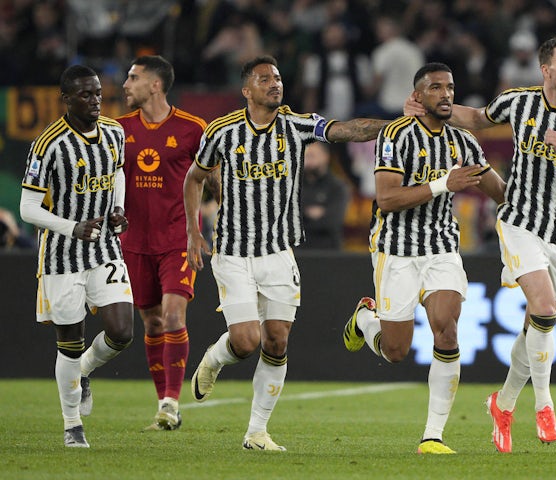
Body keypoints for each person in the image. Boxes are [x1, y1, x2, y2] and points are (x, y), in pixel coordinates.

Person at [407, 35, 556, 452]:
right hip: (520, 220)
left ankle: (502, 404)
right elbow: (476, 119)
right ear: (546, 69)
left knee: (537, 324)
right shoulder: (517, 101)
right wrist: (431, 109)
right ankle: (544, 406)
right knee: (541, 308)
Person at [184, 55, 394, 451]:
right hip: (233, 250)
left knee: (276, 341)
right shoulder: (222, 132)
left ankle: (256, 433)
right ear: (247, 90)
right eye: (265, 79)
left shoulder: (297, 125)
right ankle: (214, 358)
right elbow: (194, 178)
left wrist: (398, 126)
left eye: (278, 77)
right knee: (246, 342)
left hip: (279, 252)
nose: (275, 84)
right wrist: (194, 232)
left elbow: (348, 129)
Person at [344, 62, 505, 454]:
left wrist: (534, 201)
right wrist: (442, 184)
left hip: (441, 250)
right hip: (394, 250)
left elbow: (499, 192)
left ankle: (432, 436)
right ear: (417, 97)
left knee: (446, 328)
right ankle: (366, 320)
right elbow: (386, 198)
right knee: (396, 352)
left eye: (450, 87)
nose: (446, 94)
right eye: (436, 88)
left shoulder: (463, 141)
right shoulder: (394, 136)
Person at [19, 65, 133, 448]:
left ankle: (85, 370)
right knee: (70, 339)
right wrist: (73, 227)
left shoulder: (115, 132)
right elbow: (27, 208)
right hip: (61, 255)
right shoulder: (48, 144)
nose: (95, 100)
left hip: (104, 247)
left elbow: (117, 173)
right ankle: (72, 425)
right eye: (86, 95)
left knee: (122, 331)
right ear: (65, 99)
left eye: (98, 93)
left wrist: (117, 209)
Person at [117, 55, 208, 431]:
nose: (126, 84)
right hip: (134, 242)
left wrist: (200, 229)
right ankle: (163, 401)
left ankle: (171, 404)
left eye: (133, 78)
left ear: (156, 85)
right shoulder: (117, 130)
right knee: (152, 323)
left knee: (173, 316)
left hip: (178, 239)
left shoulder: (193, 129)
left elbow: (213, 181)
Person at [300, 142, 350, 250]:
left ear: (325, 156)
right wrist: (311, 215)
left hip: (328, 253)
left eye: (312, 155)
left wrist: (303, 215)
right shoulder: (294, 186)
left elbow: (333, 222)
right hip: (298, 252)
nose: (307, 159)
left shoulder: (338, 187)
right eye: (305, 155)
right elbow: (288, 221)